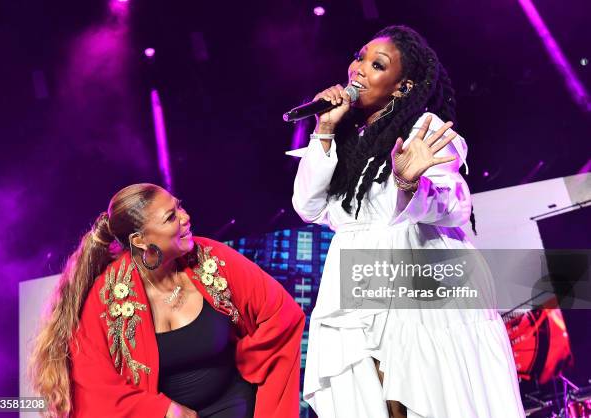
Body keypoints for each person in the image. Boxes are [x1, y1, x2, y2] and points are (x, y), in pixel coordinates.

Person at [292, 25, 525, 418]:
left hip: (415, 273)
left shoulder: (424, 130)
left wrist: (409, 185)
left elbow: (454, 205)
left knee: (422, 396)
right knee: (372, 397)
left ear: (401, 87)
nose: (358, 69)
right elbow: (308, 207)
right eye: (359, 57)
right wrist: (326, 129)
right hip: (355, 277)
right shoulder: (347, 140)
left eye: (377, 65)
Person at [29, 183, 305, 418]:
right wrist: (161, 410)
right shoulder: (108, 297)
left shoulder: (212, 257)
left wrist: (249, 361)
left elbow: (280, 313)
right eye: (171, 217)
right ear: (140, 240)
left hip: (236, 405)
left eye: (180, 206)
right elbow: (92, 385)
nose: (185, 217)